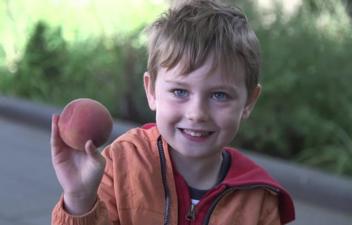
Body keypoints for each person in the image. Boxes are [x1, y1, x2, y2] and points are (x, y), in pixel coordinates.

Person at [50, 0, 295, 224]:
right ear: (151, 91)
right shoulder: (121, 165)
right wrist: (80, 198)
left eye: (219, 95)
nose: (197, 113)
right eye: (179, 92)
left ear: (249, 102)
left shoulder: (260, 202)